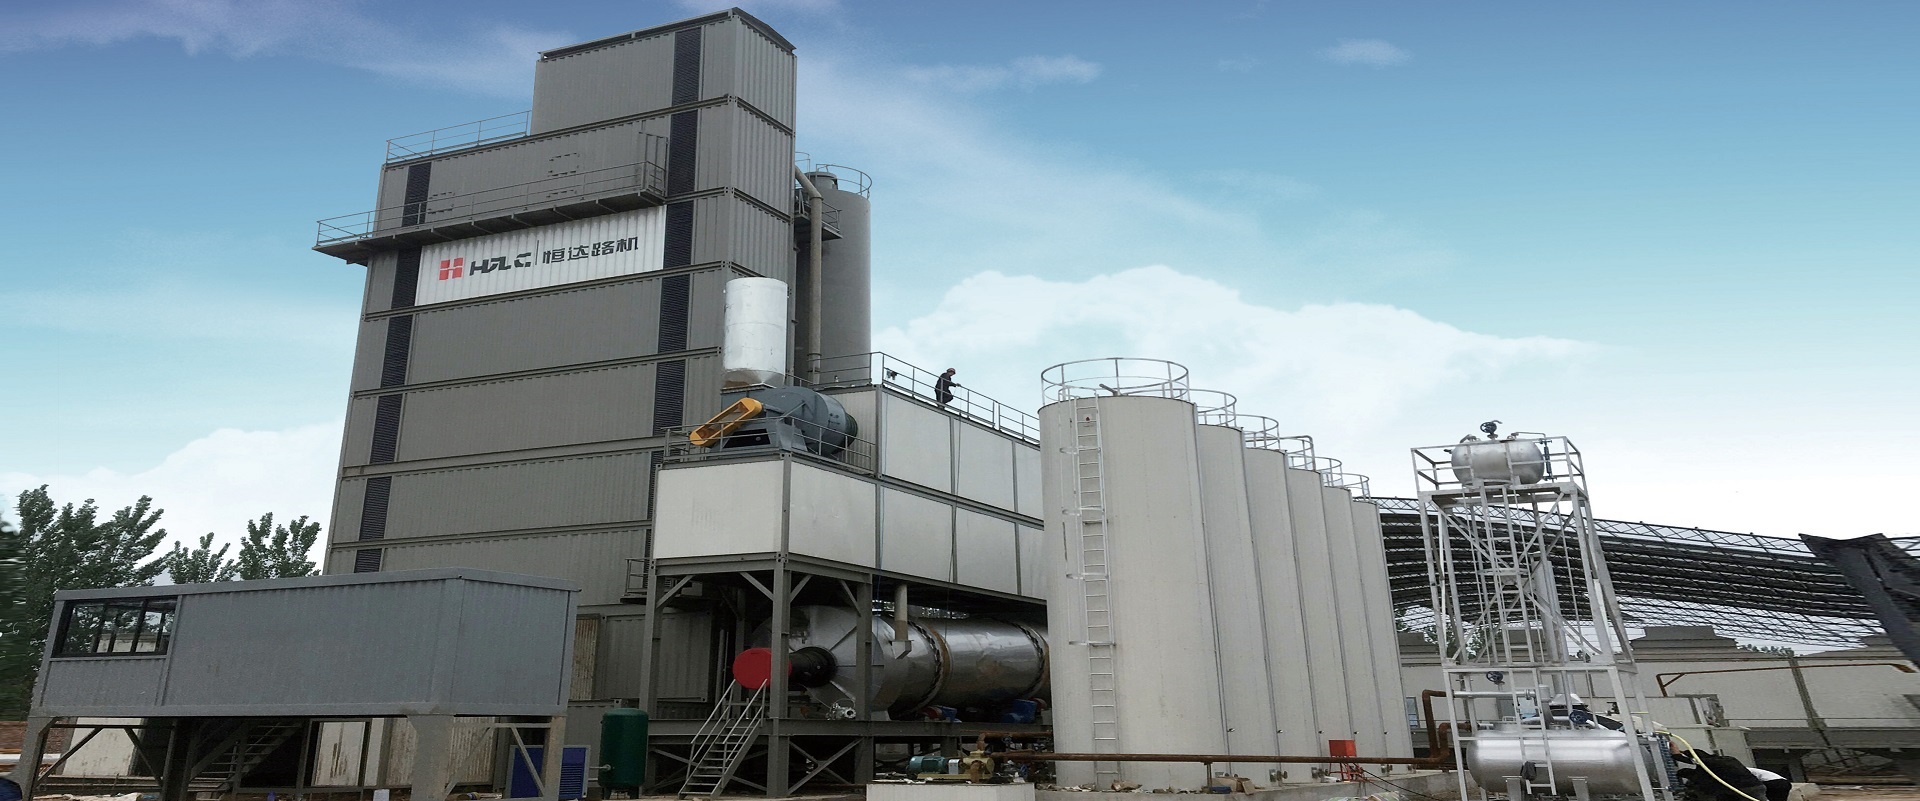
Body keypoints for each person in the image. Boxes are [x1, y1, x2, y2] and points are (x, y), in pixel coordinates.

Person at [1673, 746, 1769, 801]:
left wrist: (1676, 753)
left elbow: (1695, 761)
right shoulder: (1726, 760)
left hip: (1747, 789)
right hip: (1754, 787)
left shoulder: (1714, 763)